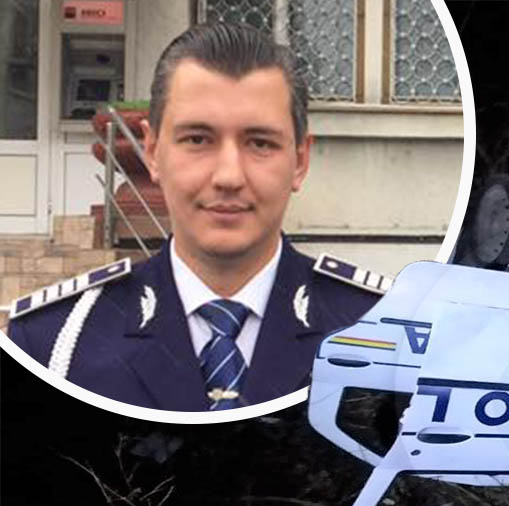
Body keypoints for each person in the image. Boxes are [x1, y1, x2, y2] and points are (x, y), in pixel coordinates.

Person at [5, 22, 385, 412]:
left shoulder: (383, 335)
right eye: (198, 140)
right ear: (152, 152)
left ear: (300, 161)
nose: (229, 177)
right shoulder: (54, 345)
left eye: (260, 143)